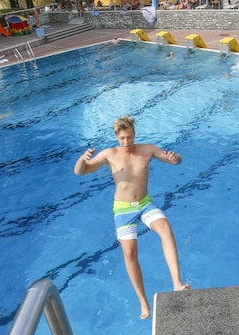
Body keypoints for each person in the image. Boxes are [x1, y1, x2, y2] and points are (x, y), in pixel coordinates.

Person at [73, 115, 189, 319]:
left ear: (134, 135)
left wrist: (176, 158)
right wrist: (82, 159)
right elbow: (80, 172)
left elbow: (174, 161)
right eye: (122, 138)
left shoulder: (147, 150)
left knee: (166, 228)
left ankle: (177, 284)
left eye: (130, 137)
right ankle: (143, 302)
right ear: (116, 137)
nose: (127, 142)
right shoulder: (109, 154)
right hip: (123, 209)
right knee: (130, 253)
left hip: (144, 204)